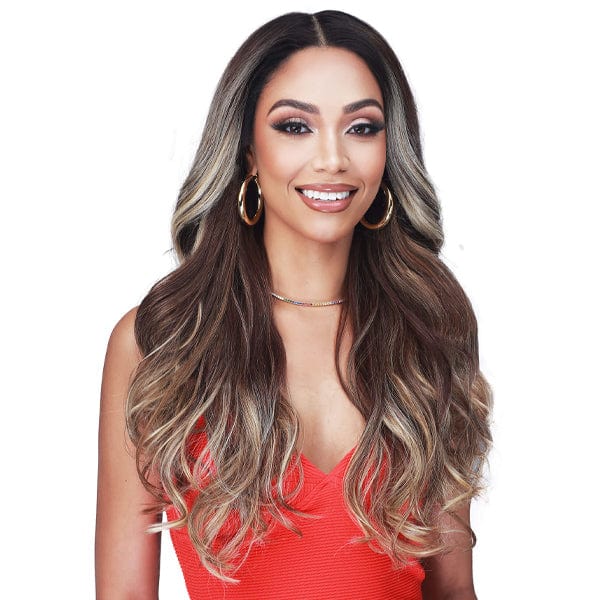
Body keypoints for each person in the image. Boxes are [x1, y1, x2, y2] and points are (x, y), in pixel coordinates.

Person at [95, 10, 492, 600]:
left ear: (390, 151)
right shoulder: (164, 343)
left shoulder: (428, 329)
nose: (332, 158)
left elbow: (453, 591)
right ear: (247, 152)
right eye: (295, 126)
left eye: (362, 127)